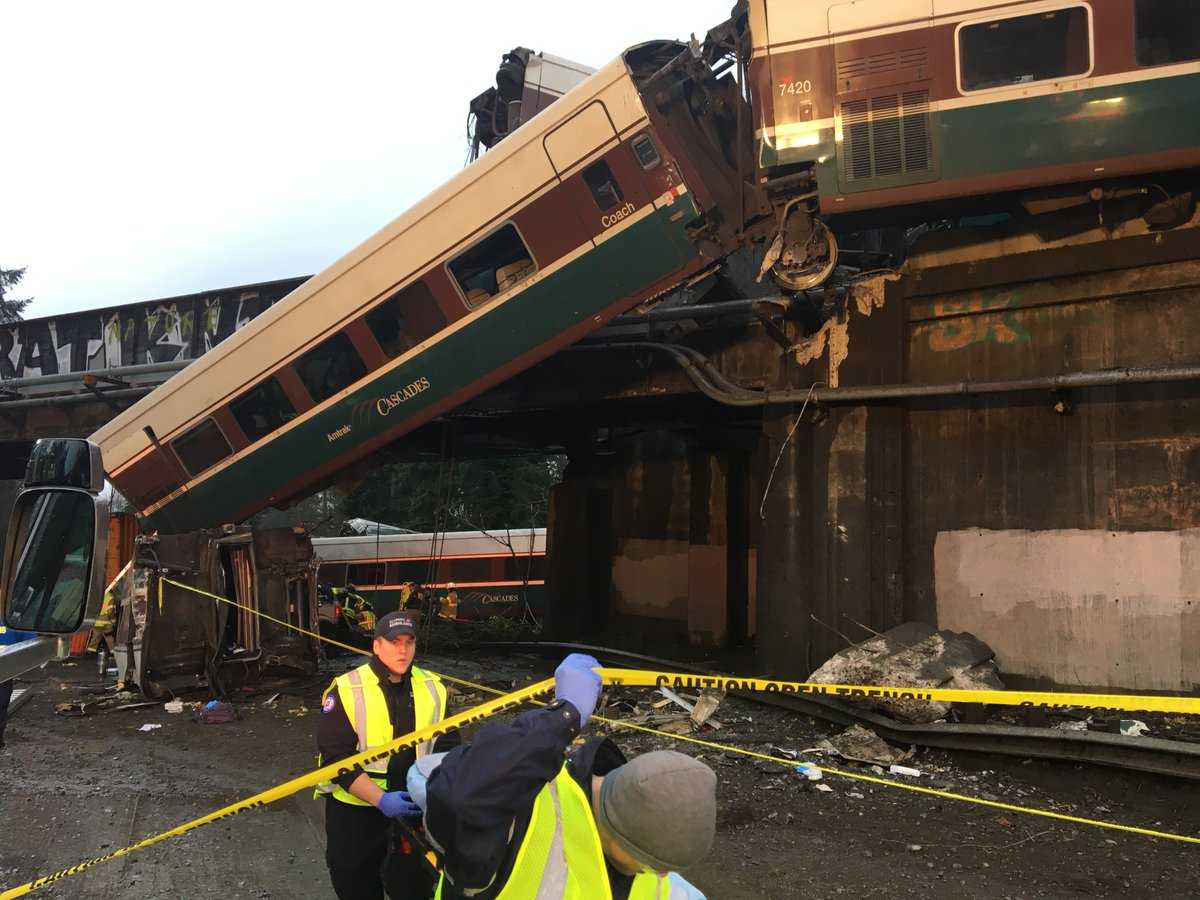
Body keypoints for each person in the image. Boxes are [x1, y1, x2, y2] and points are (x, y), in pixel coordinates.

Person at [420, 654, 715, 899]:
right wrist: (562, 718)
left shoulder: (659, 882)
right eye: (650, 865)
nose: (662, 875)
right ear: (618, 832)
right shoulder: (525, 812)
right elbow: (460, 795)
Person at [316, 610, 456, 900]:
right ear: (377, 645)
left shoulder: (434, 688)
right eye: (394, 642)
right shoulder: (346, 688)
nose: (402, 650)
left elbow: (448, 748)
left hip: (415, 802)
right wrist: (379, 799)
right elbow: (335, 757)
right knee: (352, 876)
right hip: (356, 807)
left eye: (409, 642)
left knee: (415, 881)